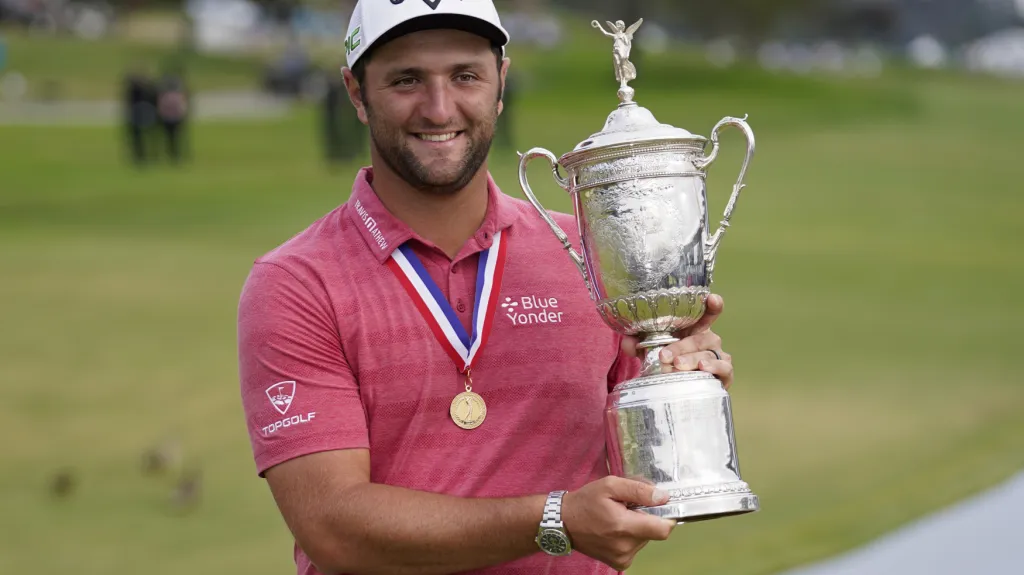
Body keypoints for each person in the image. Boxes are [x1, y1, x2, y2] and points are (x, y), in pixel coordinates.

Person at [236, 2, 736, 574]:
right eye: (406, 80)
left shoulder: (592, 255)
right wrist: (554, 519)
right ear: (355, 91)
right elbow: (334, 527)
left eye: (465, 75)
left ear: (502, 81)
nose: (439, 107)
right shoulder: (297, 284)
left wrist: (679, 379)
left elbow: (646, 482)